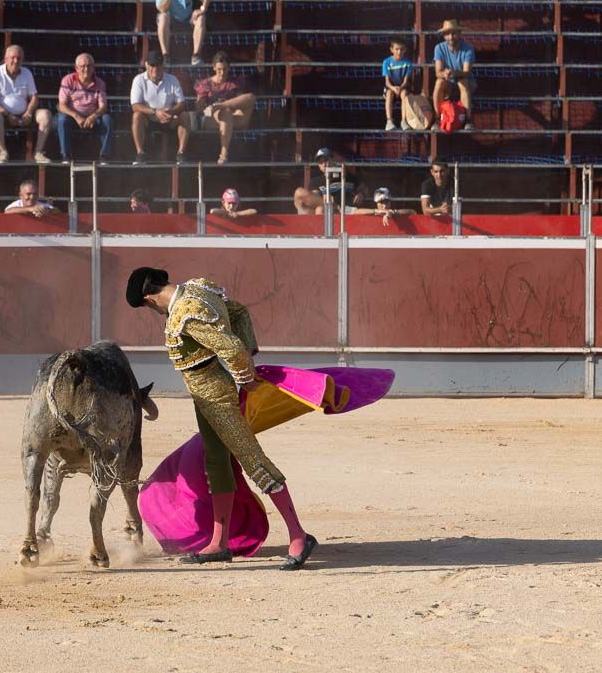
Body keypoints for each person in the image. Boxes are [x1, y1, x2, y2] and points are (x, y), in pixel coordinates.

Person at [126, 266, 318, 570]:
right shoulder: (199, 289)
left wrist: (246, 377)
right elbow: (239, 312)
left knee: (253, 461)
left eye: (147, 308)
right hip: (207, 398)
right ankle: (219, 541)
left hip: (217, 399)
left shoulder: (182, 315)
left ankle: (299, 536)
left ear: (149, 298)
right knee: (215, 461)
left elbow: (229, 346)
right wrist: (249, 356)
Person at [0, 44, 52, 164]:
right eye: (13, 57)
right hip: (3, 114)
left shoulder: (27, 73)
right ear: (5, 59)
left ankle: (38, 153)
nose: (16, 61)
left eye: (19, 58)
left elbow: (34, 97)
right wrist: (7, 114)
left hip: (24, 114)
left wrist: (29, 113)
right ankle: (2, 152)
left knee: (45, 114)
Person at [194, 51, 255, 165]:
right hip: (212, 118)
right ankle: (224, 154)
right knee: (225, 113)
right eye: (219, 70)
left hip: (232, 117)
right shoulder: (205, 84)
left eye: (225, 69)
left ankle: (222, 106)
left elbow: (242, 102)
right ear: (213, 68)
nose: (222, 73)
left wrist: (222, 105)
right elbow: (199, 109)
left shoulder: (235, 82)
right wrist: (204, 104)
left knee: (251, 97)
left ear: (229, 68)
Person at [131, 50, 190, 164]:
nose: (155, 69)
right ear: (146, 65)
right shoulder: (138, 80)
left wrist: (172, 112)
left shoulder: (173, 79)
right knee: (136, 116)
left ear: (163, 66)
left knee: (185, 116)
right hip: (148, 119)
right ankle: (140, 154)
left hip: (169, 119)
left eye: (158, 65)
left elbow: (181, 103)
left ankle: (181, 153)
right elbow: (135, 106)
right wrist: (155, 112)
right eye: (152, 65)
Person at [57, 53, 112, 162]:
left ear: (93, 67)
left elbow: (103, 107)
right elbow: (62, 105)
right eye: (82, 66)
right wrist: (76, 116)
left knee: (107, 120)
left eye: (89, 66)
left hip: (92, 118)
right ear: (76, 68)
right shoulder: (68, 80)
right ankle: (66, 156)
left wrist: (94, 116)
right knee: (62, 120)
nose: (86, 69)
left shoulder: (100, 83)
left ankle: (104, 157)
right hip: (73, 116)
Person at [155, 0, 213, 67]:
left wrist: (202, 9)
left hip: (190, 19)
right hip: (171, 21)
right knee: (162, 17)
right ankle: (165, 56)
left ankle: (196, 56)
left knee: (201, 18)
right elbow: (161, 8)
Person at [433, 19, 476, 130]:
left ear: (459, 33)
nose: (451, 37)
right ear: (443, 35)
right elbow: (438, 72)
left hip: (466, 82)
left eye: (454, 33)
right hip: (449, 83)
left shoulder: (468, 48)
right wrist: (445, 73)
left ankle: (468, 119)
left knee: (463, 82)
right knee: (439, 83)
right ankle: (438, 118)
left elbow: (467, 72)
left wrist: (454, 73)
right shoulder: (439, 48)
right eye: (447, 34)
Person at [293, 147, 358, 214]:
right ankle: (332, 205)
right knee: (300, 193)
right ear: (318, 165)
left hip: (343, 211)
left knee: (320, 210)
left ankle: (334, 206)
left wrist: (362, 194)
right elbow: (314, 195)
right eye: (320, 162)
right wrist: (326, 199)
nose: (323, 164)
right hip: (326, 210)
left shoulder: (345, 175)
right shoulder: (315, 181)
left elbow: (363, 188)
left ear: (333, 160)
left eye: (326, 160)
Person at [382, 37, 413, 131]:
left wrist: (400, 88)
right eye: (397, 49)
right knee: (389, 94)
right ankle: (389, 121)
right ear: (391, 49)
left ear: (405, 50)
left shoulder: (408, 63)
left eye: (402, 49)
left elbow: (405, 81)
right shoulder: (386, 62)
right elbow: (387, 82)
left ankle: (404, 121)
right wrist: (393, 88)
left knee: (404, 95)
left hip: (402, 87)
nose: (399, 52)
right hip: (390, 87)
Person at [350, 187, 415, 225]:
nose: (384, 206)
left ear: (390, 202)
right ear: (376, 203)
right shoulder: (371, 212)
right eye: (381, 202)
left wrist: (393, 212)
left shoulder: (393, 212)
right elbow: (355, 212)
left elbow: (413, 212)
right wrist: (377, 211)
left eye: (386, 202)